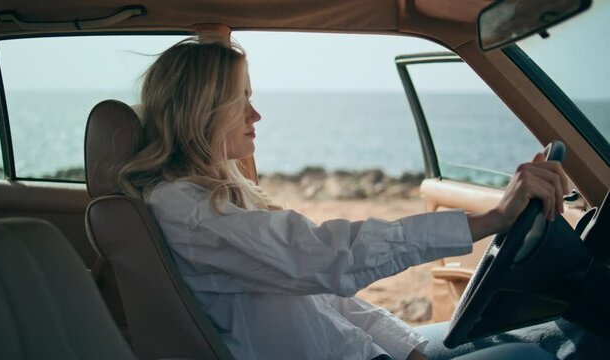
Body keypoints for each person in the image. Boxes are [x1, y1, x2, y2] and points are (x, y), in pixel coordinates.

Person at [118, 38, 569, 360]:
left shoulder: (217, 198)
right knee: (541, 353)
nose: (256, 114)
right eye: (241, 100)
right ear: (202, 110)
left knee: (547, 334)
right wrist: (489, 218)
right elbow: (326, 256)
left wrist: (405, 346)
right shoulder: (188, 211)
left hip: (364, 349)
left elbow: (325, 293)